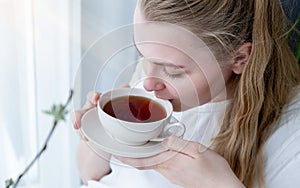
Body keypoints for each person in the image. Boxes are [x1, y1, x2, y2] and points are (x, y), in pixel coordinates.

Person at [72, 0, 300, 187]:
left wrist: (219, 184)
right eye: (143, 55)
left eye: (172, 71)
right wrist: (102, 134)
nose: (148, 83)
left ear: (239, 58)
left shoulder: (290, 135)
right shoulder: (152, 80)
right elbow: (88, 174)